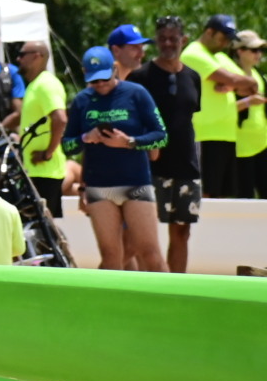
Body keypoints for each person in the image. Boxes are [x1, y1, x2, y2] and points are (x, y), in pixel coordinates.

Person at [62, 47, 168, 272]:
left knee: (149, 253)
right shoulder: (82, 100)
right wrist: (86, 138)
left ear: (114, 69)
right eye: (94, 80)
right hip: (99, 187)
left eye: (104, 78)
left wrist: (129, 141)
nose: (100, 84)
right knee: (111, 257)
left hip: (136, 183)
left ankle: (174, 303)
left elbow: (161, 136)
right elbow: (67, 145)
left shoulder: (136, 93)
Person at [129, 17, 203, 273]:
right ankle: (143, 288)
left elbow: (186, 119)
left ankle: (177, 290)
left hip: (186, 165)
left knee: (182, 233)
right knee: (141, 236)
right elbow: (131, 119)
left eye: (173, 38)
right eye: (162, 39)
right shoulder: (141, 77)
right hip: (151, 167)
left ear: (183, 40)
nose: (168, 43)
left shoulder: (193, 78)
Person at [181, 14, 257, 198]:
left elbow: (249, 88)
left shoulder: (220, 57)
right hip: (204, 135)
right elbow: (239, 80)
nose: (225, 43)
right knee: (205, 194)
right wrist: (235, 83)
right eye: (223, 38)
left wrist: (235, 84)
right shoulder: (193, 53)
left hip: (226, 136)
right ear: (209, 32)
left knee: (223, 195)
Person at [14, 40, 68, 219]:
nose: (18, 59)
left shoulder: (46, 84)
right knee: (39, 232)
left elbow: (60, 119)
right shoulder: (35, 85)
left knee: (45, 232)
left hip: (46, 172)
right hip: (38, 172)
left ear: (37, 56)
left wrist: (47, 153)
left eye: (22, 55)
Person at [232, 31, 267, 199]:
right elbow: (222, 109)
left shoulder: (259, 76)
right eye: (254, 50)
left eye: (261, 50)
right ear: (239, 51)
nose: (258, 54)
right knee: (244, 198)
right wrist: (247, 102)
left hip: (263, 144)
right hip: (241, 148)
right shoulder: (230, 77)